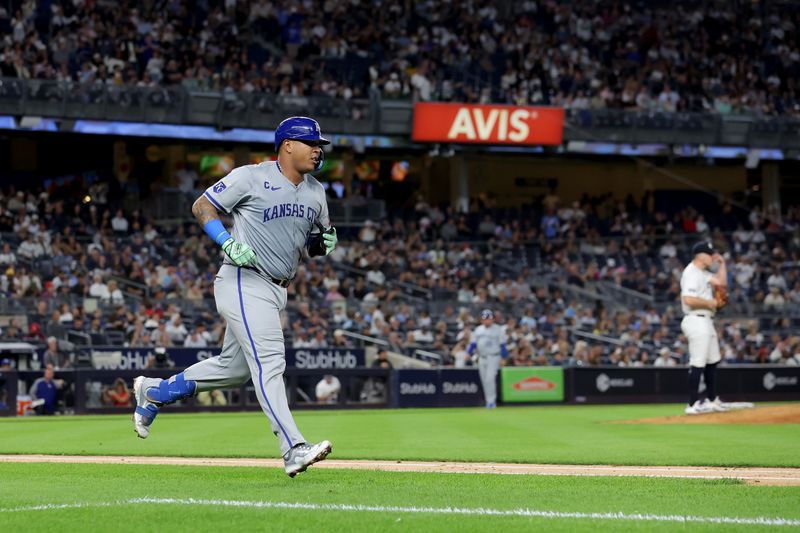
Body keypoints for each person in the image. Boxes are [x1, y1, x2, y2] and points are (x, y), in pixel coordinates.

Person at [133, 116, 337, 477]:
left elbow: (314, 244)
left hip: (277, 289)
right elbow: (202, 206)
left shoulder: (316, 191)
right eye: (311, 142)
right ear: (288, 145)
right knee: (270, 361)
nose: (318, 149)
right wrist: (225, 240)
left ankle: (155, 391)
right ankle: (292, 447)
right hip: (243, 278)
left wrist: (323, 245)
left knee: (234, 370)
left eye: (320, 144)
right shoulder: (251, 176)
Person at [680, 241, 728, 415]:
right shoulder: (691, 272)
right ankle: (692, 404)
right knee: (698, 362)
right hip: (695, 319)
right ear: (701, 255)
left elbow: (721, 283)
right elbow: (688, 299)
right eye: (709, 254)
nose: (712, 257)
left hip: (706, 320)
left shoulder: (703, 273)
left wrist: (722, 264)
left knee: (712, 361)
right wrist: (710, 302)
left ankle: (712, 400)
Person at [467, 309, 508, 408]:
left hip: (493, 356)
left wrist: (504, 357)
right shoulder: (478, 329)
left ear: (493, 319)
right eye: (484, 319)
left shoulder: (498, 329)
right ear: (481, 320)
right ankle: (488, 401)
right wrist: (468, 352)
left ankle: (491, 401)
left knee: (490, 378)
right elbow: (473, 343)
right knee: (484, 379)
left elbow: (502, 345)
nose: (487, 321)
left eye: (489, 319)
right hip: (482, 357)